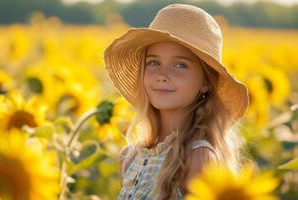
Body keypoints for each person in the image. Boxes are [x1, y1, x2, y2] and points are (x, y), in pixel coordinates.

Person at [103, 3, 250, 200]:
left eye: (180, 65)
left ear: (206, 82)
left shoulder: (197, 158)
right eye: (153, 62)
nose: (162, 75)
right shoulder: (131, 156)